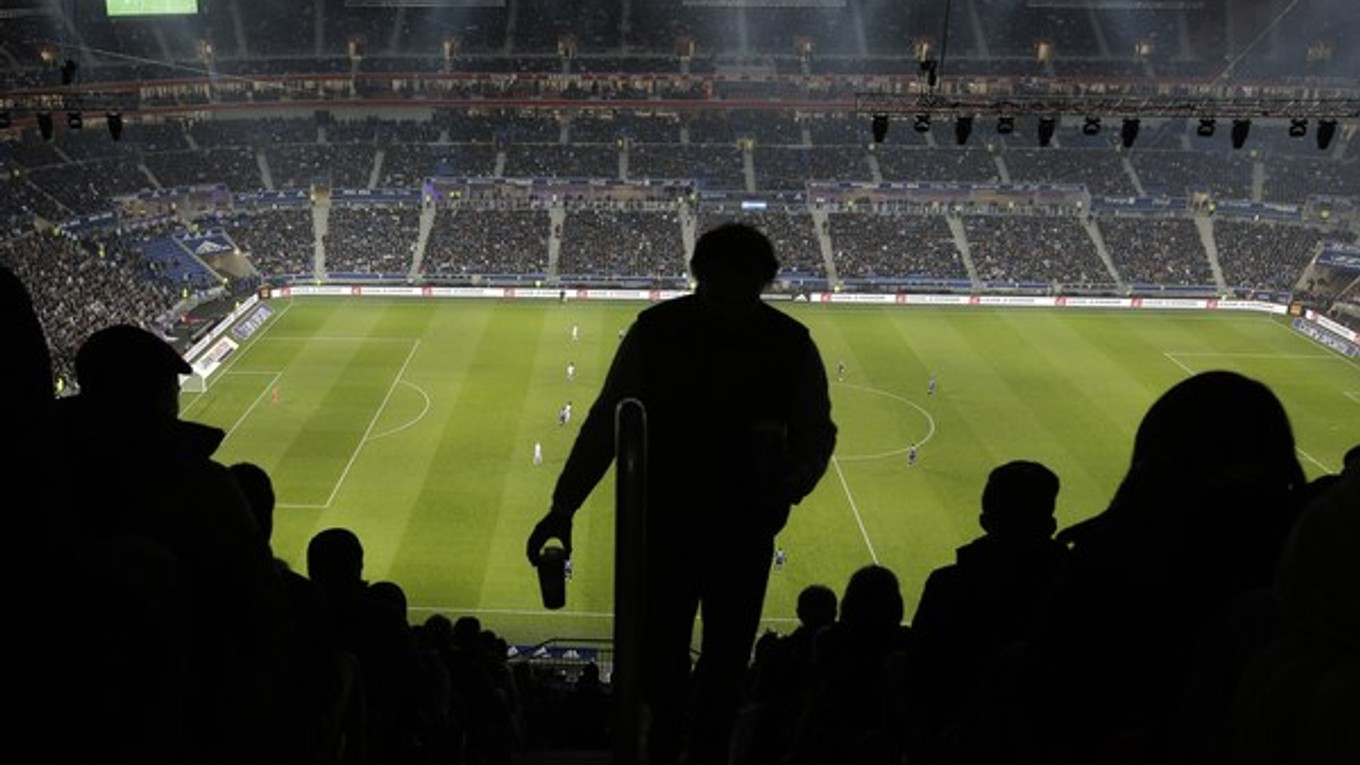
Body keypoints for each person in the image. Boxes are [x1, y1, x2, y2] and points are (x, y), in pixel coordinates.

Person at [526, 221, 838, 765]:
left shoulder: (783, 343)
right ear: (699, 278)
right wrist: (563, 504)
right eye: (719, 294)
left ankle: (689, 745)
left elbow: (817, 432)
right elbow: (608, 423)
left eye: (742, 296)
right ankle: (668, 743)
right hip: (674, 528)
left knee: (715, 661)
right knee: (671, 662)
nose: (729, 311)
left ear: (762, 283)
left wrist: (801, 473)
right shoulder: (668, 330)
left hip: (731, 528)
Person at [898, 460, 1067, 765]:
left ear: (985, 520)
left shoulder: (948, 587)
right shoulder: (1077, 592)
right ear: (1051, 525)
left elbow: (915, 681)